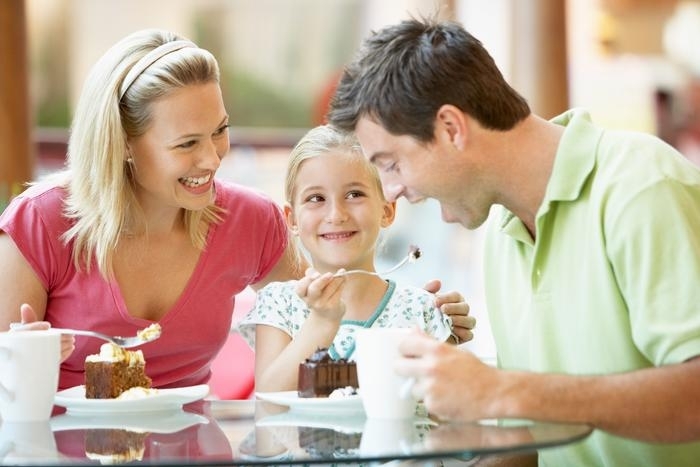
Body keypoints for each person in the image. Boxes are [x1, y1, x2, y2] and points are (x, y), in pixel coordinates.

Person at [0, 28, 470, 391]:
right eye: (187, 144)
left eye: (219, 131)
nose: (212, 159)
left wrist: (413, 314)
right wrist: (18, 361)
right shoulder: (40, 222)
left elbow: (319, 321)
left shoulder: (251, 220)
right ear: (123, 143)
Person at [327, 16, 700, 467]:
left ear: (450, 128)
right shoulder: (502, 234)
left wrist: (501, 390)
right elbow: (531, 441)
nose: (391, 192)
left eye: (391, 164)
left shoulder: (641, 186)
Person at [235, 125, 465, 392]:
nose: (336, 215)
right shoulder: (279, 304)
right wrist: (322, 321)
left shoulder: (421, 309)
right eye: (316, 198)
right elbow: (270, 401)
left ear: (387, 210)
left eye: (354, 195)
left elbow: (443, 404)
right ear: (293, 219)